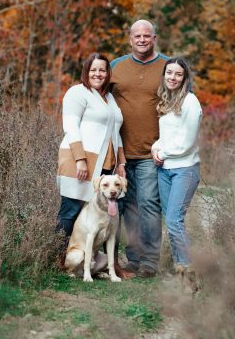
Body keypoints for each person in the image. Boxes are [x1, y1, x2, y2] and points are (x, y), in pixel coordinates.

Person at [56, 52, 129, 275]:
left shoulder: (109, 98)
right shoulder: (77, 93)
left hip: (105, 165)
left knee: (105, 214)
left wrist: (121, 163)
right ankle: (58, 261)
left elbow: (115, 133)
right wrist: (80, 159)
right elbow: (70, 126)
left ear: (108, 74)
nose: (98, 74)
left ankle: (100, 263)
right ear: (86, 71)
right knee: (70, 211)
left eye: (102, 70)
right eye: (93, 69)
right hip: (80, 160)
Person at [111, 20, 169, 278]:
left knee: (148, 205)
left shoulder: (167, 66)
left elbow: (181, 102)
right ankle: (133, 259)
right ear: (130, 38)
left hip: (151, 152)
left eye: (147, 36)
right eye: (138, 36)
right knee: (129, 206)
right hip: (120, 151)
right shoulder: (116, 67)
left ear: (154, 38)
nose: (142, 39)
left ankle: (150, 261)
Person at [151, 57, 202, 280]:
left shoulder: (190, 102)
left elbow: (187, 141)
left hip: (185, 169)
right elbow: (166, 136)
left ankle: (189, 269)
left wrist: (163, 153)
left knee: (174, 220)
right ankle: (180, 267)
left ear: (184, 78)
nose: (172, 77)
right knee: (171, 219)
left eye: (178, 74)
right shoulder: (168, 100)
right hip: (165, 170)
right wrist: (155, 148)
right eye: (169, 73)